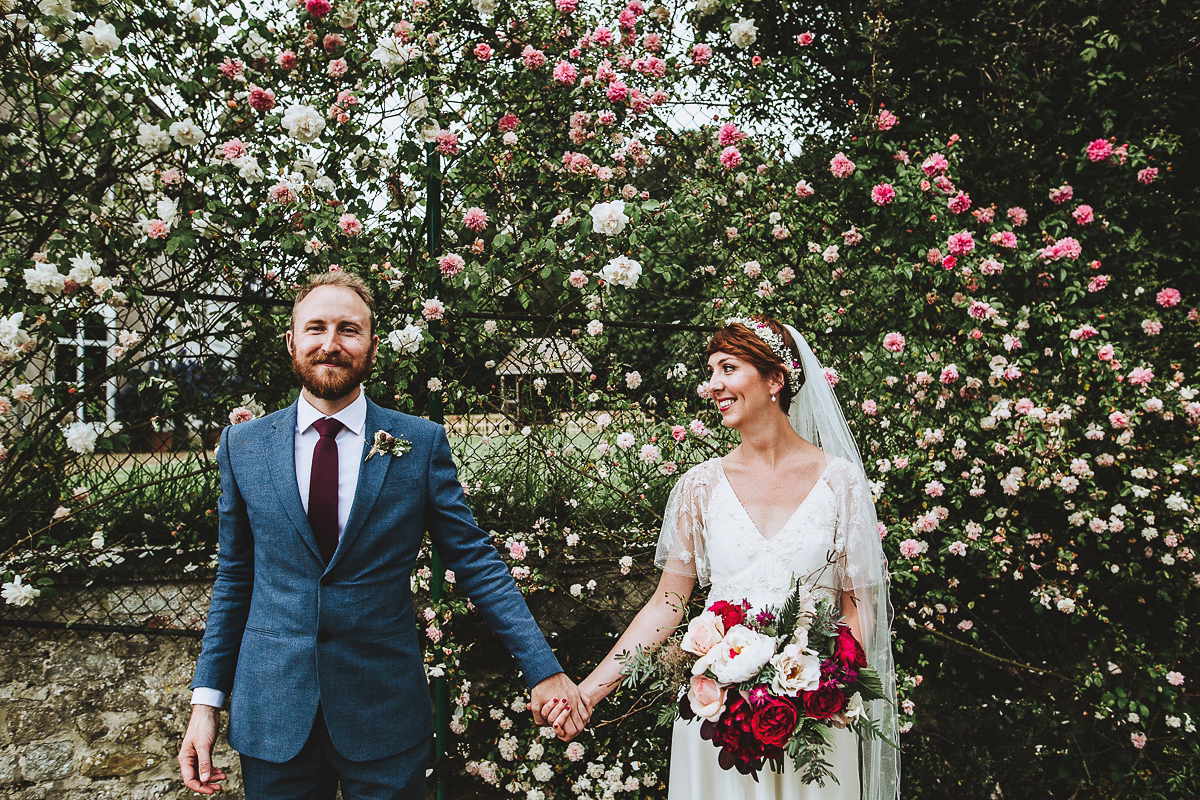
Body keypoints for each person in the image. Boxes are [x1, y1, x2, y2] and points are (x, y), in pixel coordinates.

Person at [178, 271, 587, 799]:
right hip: (274, 716)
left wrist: (544, 669)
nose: (330, 344)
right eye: (316, 328)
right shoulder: (243, 446)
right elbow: (235, 579)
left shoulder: (418, 444)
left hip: (384, 716)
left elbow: (477, 563)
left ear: (372, 344)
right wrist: (205, 704)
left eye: (349, 330)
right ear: (292, 341)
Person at [547, 316, 900, 800]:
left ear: (775, 379)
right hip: (719, 715)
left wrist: (828, 691)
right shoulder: (699, 486)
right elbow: (667, 604)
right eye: (711, 370)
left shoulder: (840, 482)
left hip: (815, 718)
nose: (713, 385)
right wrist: (589, 692)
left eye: (728, 368)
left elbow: (859, 606)